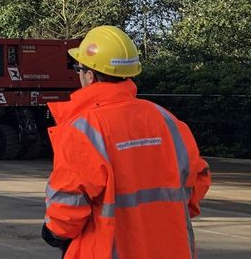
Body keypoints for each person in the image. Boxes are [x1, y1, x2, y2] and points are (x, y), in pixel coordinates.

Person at [42, 26, 211, 258]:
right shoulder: (167, 120)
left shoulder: (84, 129)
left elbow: (69, 202)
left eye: (78, 68)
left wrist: (54, 232)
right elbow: (198, 178)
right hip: (172, 248)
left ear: (90, 76)